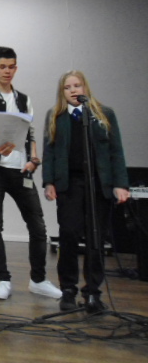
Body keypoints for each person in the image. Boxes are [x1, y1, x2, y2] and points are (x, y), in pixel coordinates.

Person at [0, 46, 62, 300]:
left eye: (11, 67)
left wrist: (33, 159)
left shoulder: (23, 99)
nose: (7, 71)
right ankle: (3, 280)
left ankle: (38, 280)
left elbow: (30, 132)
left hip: (21, 171)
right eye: (2, 67)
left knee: (38, 226)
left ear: (16, 68)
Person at [42, 70, 129, 313]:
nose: (73, 90)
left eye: (77, 85)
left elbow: (116, 151)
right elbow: (49, 152)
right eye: (67, 87)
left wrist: (120, 184)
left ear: (85, 88)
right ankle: (68, 290)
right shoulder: (56, 116)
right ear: (62, 92)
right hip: (69, 184)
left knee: (95, 238)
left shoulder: (103, 114)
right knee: (69, 234)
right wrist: (49, 182)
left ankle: (92, 292)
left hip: (98, 184)